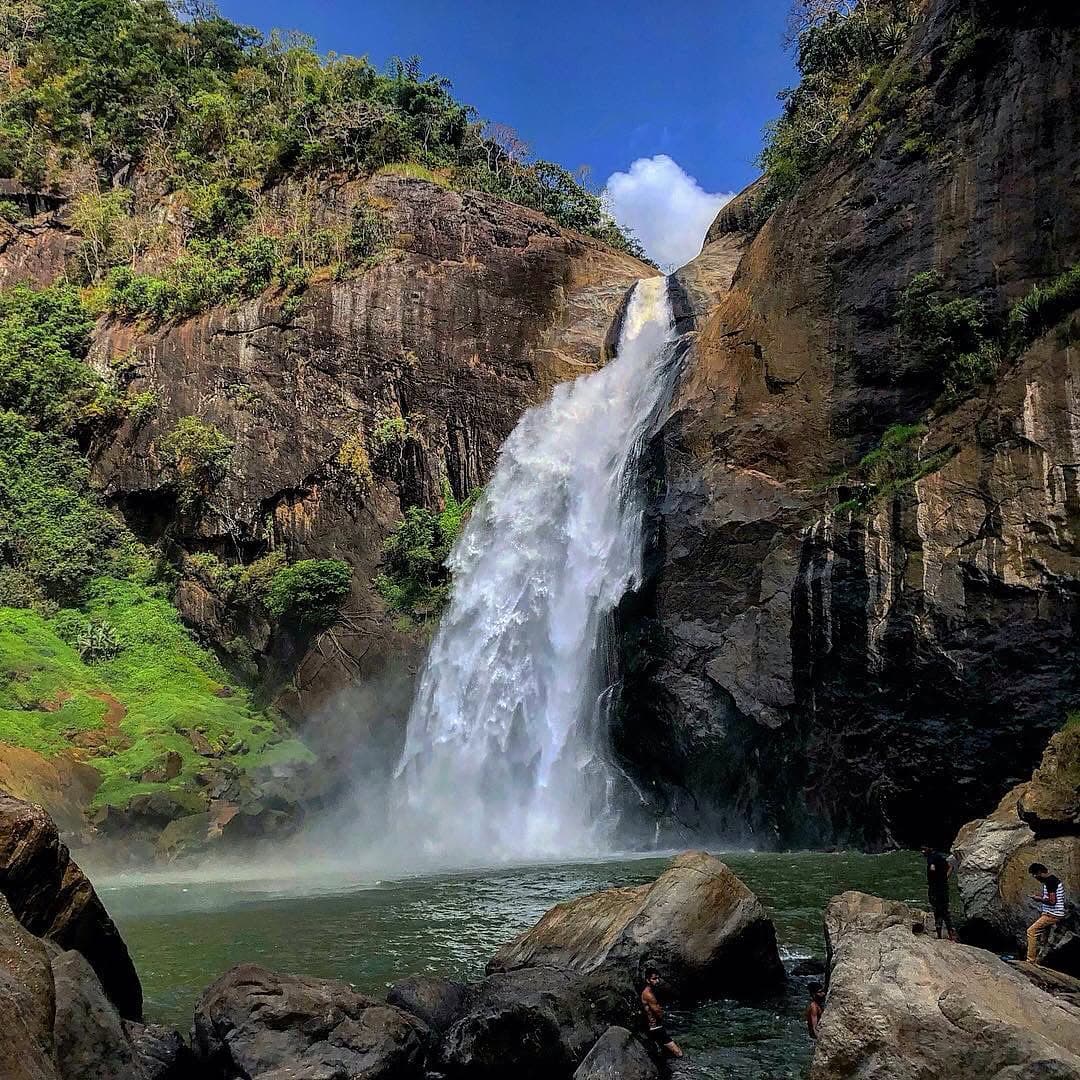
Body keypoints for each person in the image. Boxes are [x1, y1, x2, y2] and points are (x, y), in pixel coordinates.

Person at [1027, 862, 1067, 964]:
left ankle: (1030, 960)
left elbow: (1052, 902)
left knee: (1031, 931)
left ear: (1040, 872)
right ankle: (1039, 961)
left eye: (1035, 875)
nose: (1035, 877)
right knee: (1043, 939)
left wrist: (1039, 899)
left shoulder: (1050, 882)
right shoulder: (1052, 880)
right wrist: (1042, 896)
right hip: (1051, 913)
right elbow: (1052, 897)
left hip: (1052, 914)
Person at [641, 968, 683, 1058]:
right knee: (678, 1052)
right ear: (648, 980)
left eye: (658, 978)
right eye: (654, 979)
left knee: (665, 1051)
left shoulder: (652, 991)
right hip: (655, 1028)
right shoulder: (648, 994)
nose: (657, 981)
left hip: (656, 1026)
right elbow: (658, 1012)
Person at [922, 845, 957, 941]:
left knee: (938, 911)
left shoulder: (931, 859)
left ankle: (940, 935)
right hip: (943, 887)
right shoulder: (939, 856)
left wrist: (935, 877)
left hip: (936, 889)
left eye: (924, 849)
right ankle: (951, 935)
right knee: (945, 911)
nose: (922, 851)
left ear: (930, 848)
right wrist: (945, 878)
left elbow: (932, 869)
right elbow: (950, 866)